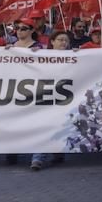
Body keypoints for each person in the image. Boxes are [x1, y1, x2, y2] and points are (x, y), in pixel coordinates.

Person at [30, 31, 71, 171]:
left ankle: (58, 152)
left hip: (64, 99)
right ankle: (37, 158)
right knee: (44, 126)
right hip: (45, 97)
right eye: (60, 39)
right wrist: (32, 54)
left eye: (66, 40)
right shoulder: (42, 55)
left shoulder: (73, 56)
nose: (63, 43)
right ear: (52, 41)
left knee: (58, 126)